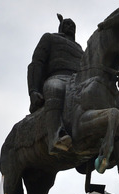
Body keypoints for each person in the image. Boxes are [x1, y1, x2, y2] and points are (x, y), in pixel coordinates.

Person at [27, 13, 84, 154]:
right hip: (57, 77)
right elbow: (37, 63)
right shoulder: (50, 38)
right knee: (55, 88)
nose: (70, 26)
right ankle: (56, 136)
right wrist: (33, 90)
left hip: (78, 82)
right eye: (67, 24)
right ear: (60, 27)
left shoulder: (81, 50)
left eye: (73, 25)